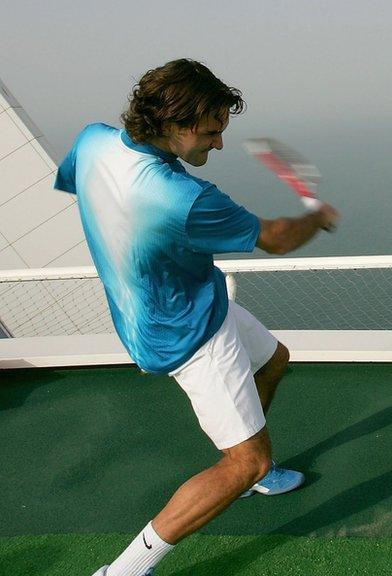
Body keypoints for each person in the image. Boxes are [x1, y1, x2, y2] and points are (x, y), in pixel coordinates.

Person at [53, 59, 339, 576]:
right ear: (172, 124)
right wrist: (317, 219)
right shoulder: (184, 199)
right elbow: (275, 237)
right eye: (211, 132)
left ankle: (253, 465)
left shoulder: (93, 141)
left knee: (275, 360)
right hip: (189, 332)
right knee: (244, 460)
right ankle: (123, 570)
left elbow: (95, 194)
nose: (219, 144)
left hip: (189, 303)